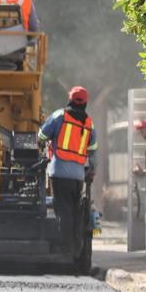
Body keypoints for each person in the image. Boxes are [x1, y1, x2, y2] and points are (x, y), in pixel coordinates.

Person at [38, 86, 97, 253]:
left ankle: (66, 246)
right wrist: (91, 170)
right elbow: (93, 149)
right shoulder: (89, 124)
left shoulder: (59, 116)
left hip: (59, 172)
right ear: (85, 103)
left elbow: (41, 136)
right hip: (78, 176)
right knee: (75, 209)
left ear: (70, 99)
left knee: (63, 209)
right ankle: (77, 244)